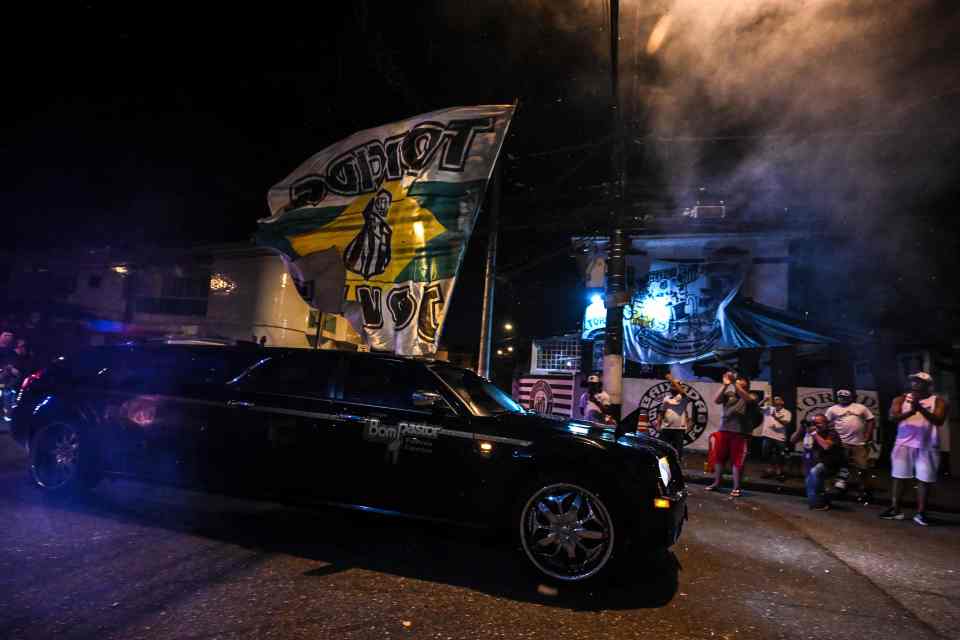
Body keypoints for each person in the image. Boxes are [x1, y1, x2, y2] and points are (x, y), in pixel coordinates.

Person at [880, 372, 948, 526]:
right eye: (913, 381)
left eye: (919, 382)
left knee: (924, 480)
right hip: (903, 444)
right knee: (899, 477)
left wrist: (920, 409)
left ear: (928, 385)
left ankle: (921, 513)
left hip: (928, 445)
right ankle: (895, 509)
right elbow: (892, 417)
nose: (915, 384)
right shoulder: (901, 399)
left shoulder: (938, 401)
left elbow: (939, 420)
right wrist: (911, 410)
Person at [706, 371, 758, 497]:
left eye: (742, 379)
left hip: (740, 433)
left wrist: (735, 383)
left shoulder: (752, 395)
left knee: (737, 461)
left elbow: (747, 399)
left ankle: (736, 487)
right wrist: (725, 385)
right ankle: (717, 483)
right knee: (719, 459)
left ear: (747, 383)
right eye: (738, 379)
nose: (739, 380)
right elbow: (716, 400)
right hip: (724, 430)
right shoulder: (729, 394)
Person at [824, 389, 877, 503]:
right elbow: (825, 423)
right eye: (840, 397)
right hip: (841, 442)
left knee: (863, 467)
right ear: (837, 397)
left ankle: (864, 488)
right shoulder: (832, 409)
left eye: (845, 397)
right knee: (842, 465)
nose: (842, 398)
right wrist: (830, 436)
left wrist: (868, 435)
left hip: (859, 443)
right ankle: (841, 485)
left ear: (850, 397)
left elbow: (871, 420)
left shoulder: (860, 407)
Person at [791, 414, 843, 511]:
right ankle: (820, 502)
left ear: (826, 424)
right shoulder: (810, 430)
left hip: (829, 462)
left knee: (814, 474)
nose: (815, 425)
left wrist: (815, 434)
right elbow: (793, 440)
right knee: (810, 481)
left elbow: (826, 446)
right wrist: (801, 429)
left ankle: (817, 503)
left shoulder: (832, 433)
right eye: (813, 423)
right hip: (812, 460)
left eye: (818, 423)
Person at [657, 373, 691, 460]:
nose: (672, 387)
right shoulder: (667, 398)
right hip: (666, 428)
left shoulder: (683, 398)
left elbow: (682, 392)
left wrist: (672, 380)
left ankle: (677, 466)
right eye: (671, 385)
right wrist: (658, 423)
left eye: (674, 385)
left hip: (679, 429)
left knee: (677, 451)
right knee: (662, 449)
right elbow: (662, 411)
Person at [759, 395, 792, 481]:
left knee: (780, 455)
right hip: (767, 435)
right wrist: (764, 400)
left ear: (782, 402)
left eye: (778, 399)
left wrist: (776, 417)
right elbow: (756, 408)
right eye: (774, 399)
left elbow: (786, 422)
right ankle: (770, 470)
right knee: (766, 454)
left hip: (779, 437)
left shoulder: (787, 412)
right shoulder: (769, 408)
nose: (776, 400)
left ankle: (779, 472)